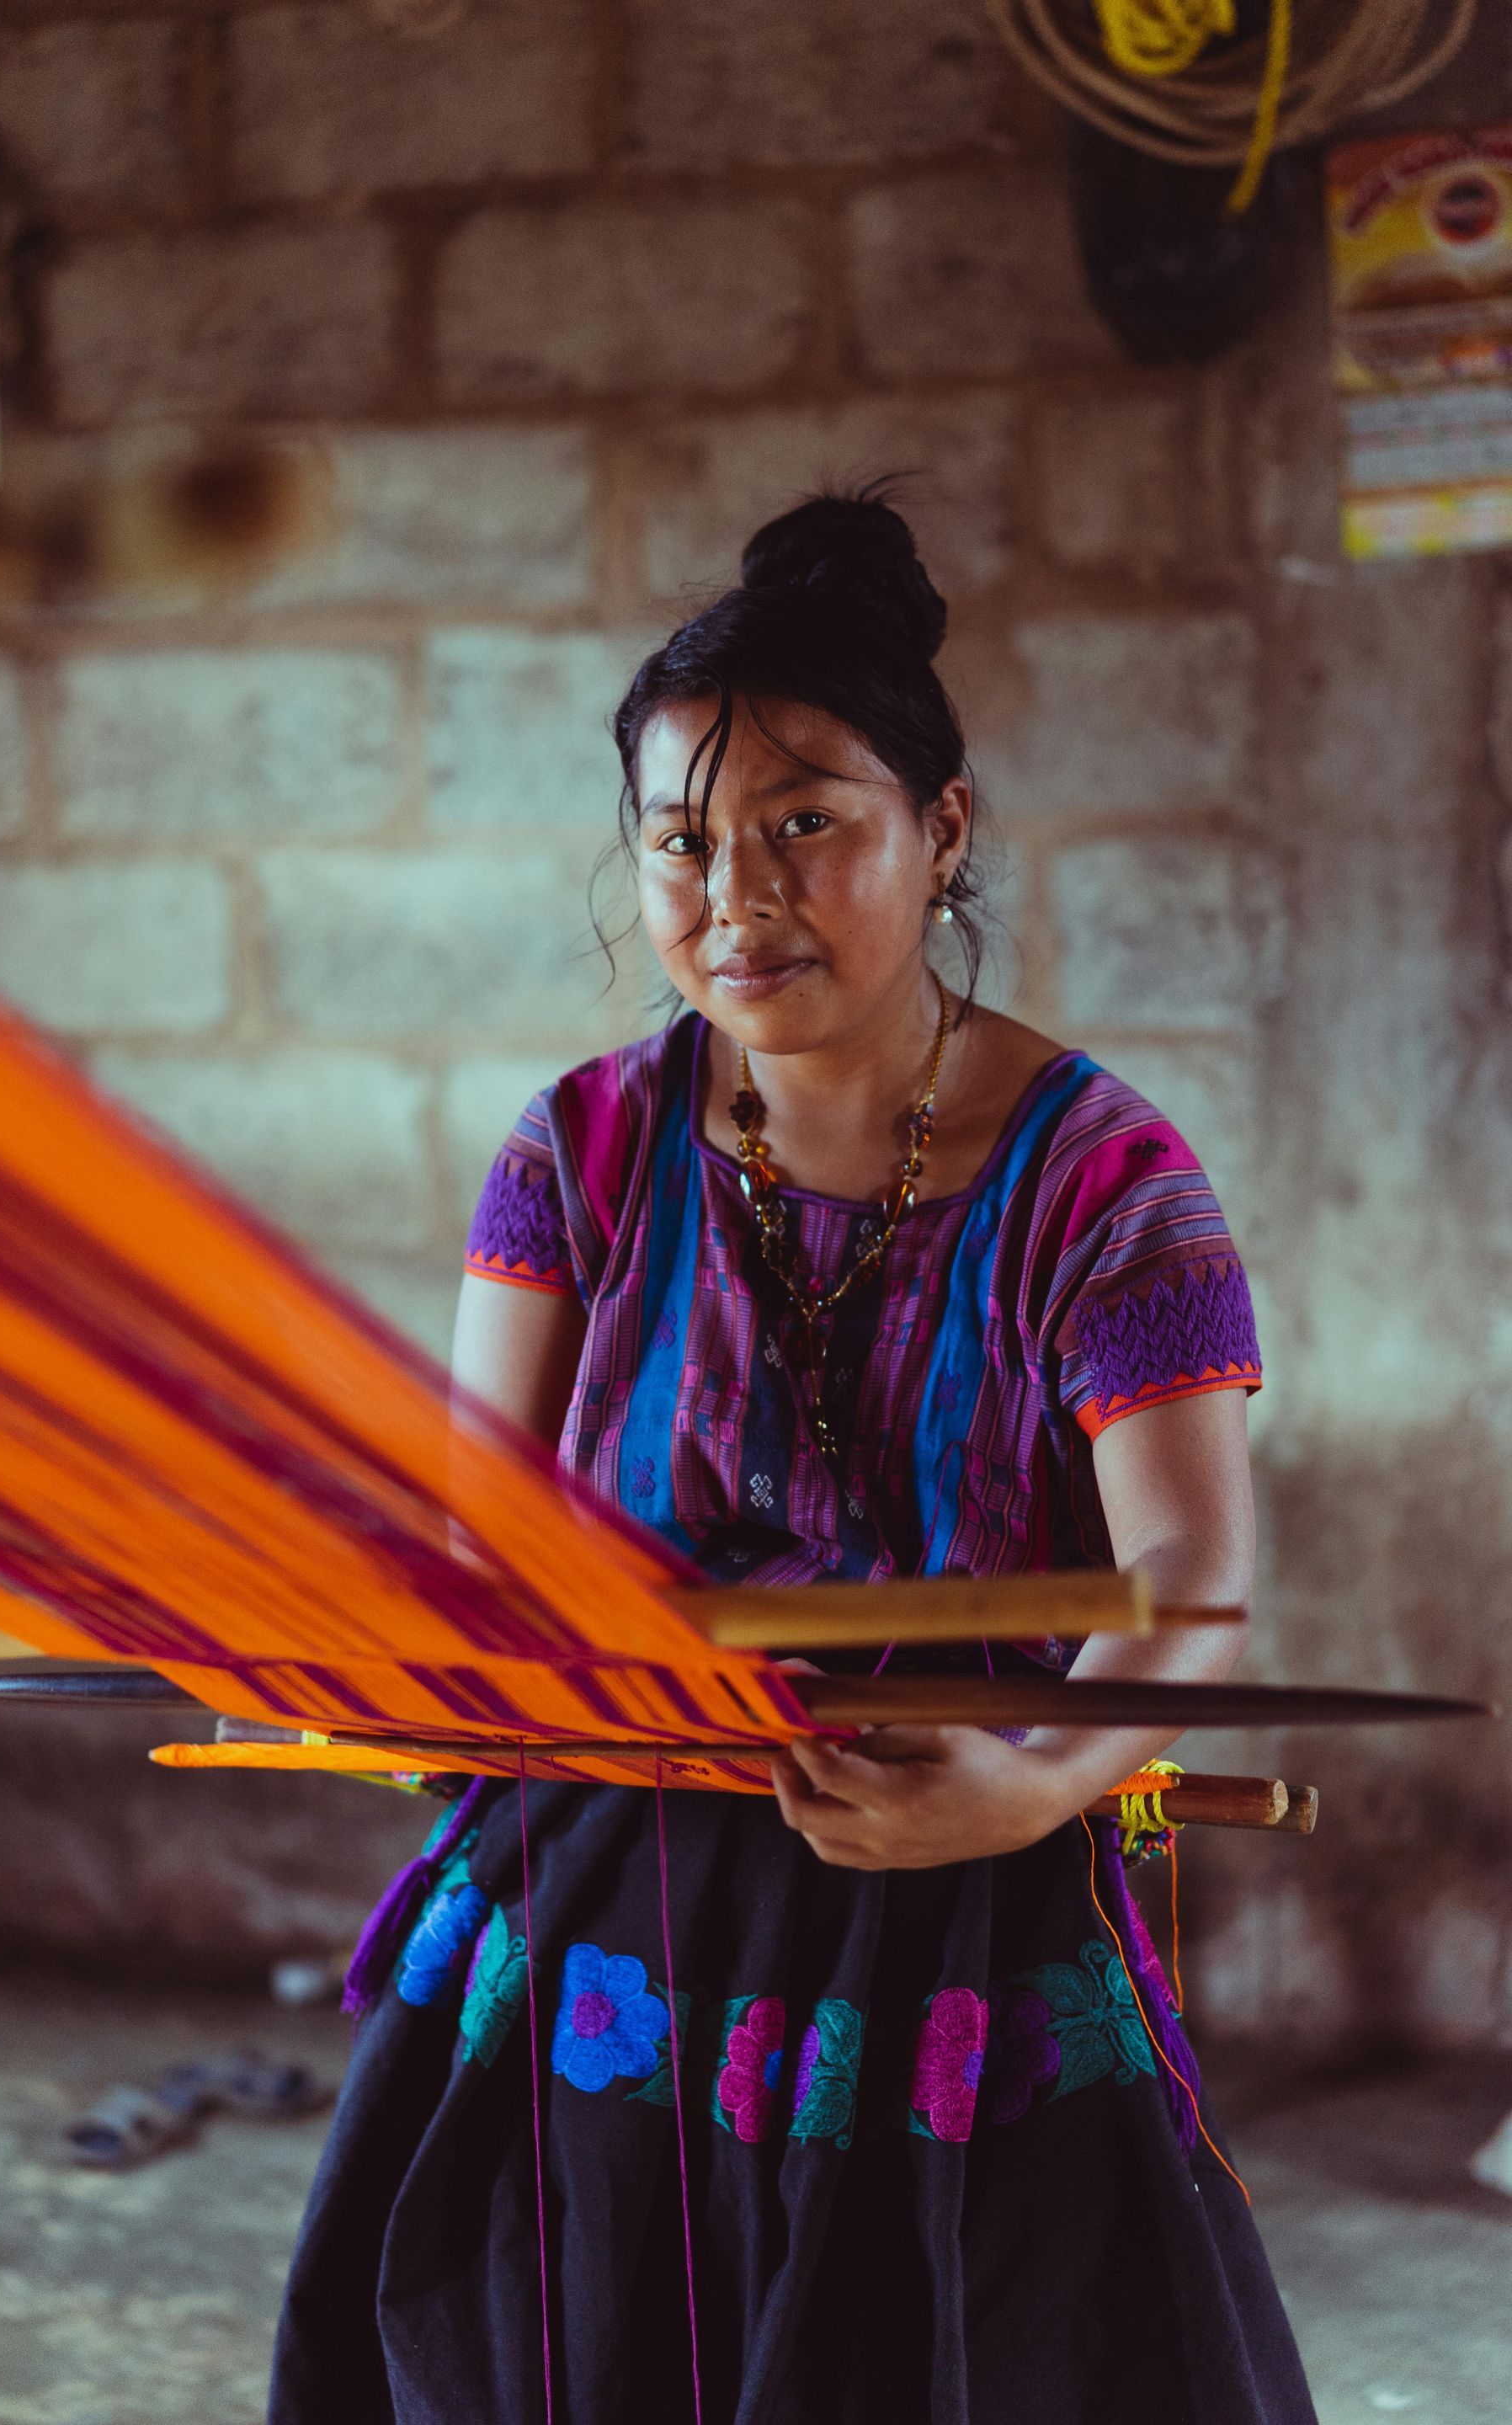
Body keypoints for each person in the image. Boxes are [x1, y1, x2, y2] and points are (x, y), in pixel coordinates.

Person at [269, 492, 1316, 2425]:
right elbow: (489, 1532)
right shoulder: (577, 1153)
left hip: (954, 1898)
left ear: (944, 828)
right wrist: (439, 1661)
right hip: (602, 1911)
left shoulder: (1108, 1187)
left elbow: (1187, 1584)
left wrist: (1026, 1786)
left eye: (805, 824)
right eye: (681, 842)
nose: (736, 896)